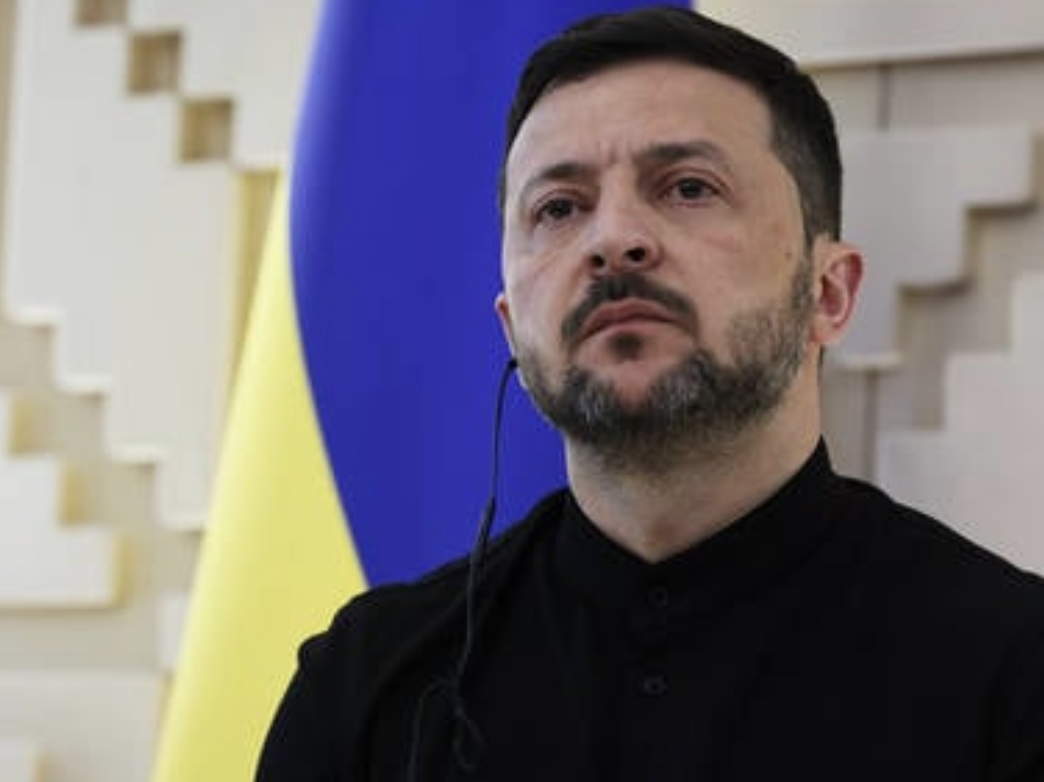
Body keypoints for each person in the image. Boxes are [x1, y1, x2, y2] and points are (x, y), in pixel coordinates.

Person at [256, 7, 1044, 781]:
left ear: (828, 292)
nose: (613, 240)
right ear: (512, 328)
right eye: (559, 208)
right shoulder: (365, 685)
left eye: (688, 187)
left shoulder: (1010, 667)